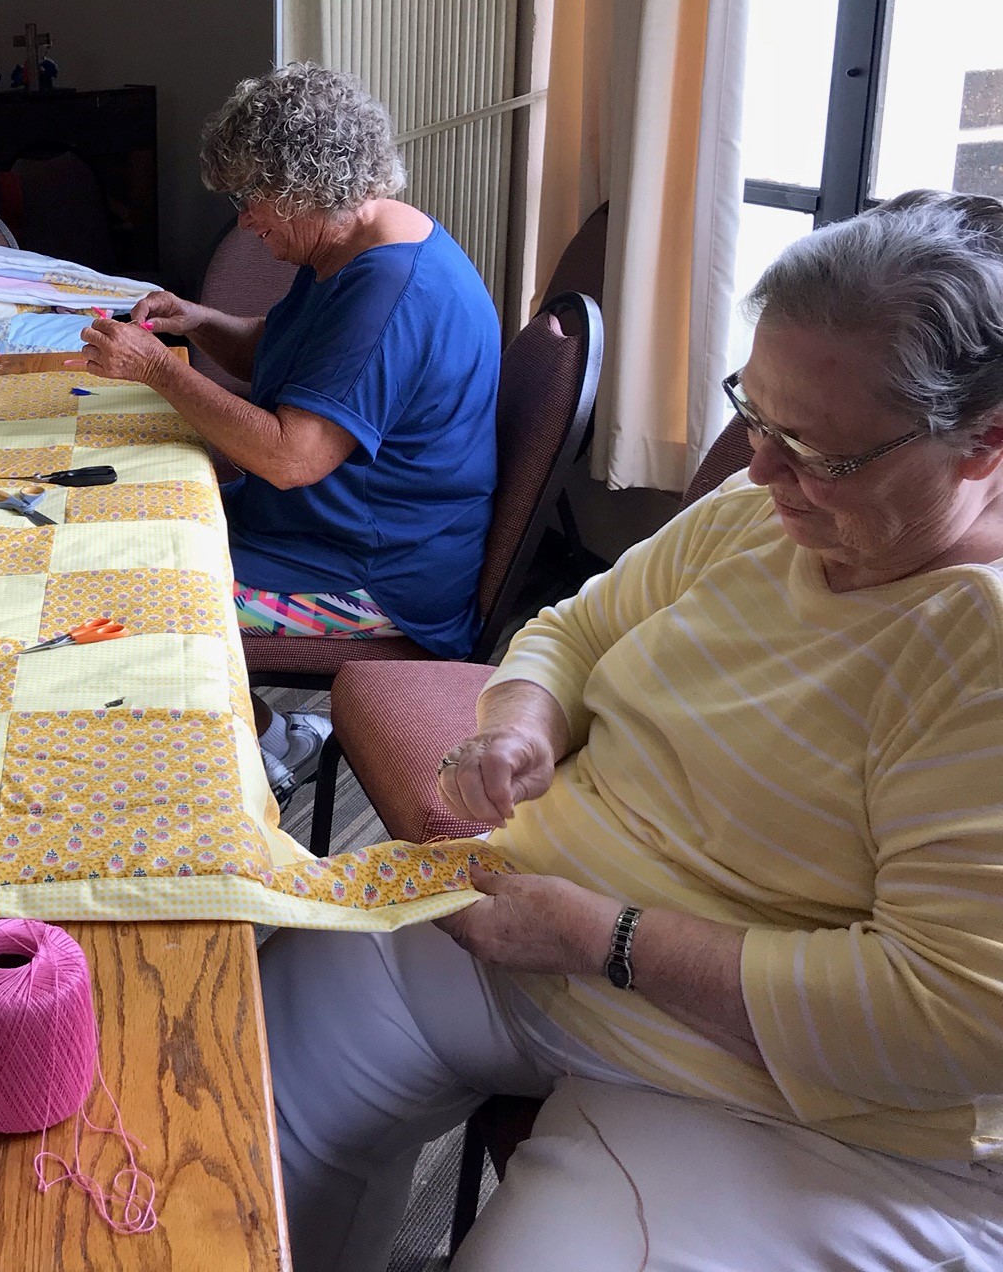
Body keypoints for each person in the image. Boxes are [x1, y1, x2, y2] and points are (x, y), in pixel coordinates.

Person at [259, 191, 1003, 1271]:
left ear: (983, 443)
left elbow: (949, 1015)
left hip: (782, 1092)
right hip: (548, 928)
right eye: (752, 412)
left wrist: (604, 940)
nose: (759, 472)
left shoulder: (972, 643)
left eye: (818, 453)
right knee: (245, 1092)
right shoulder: (762, 510)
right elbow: (572, 627)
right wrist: (521, 720)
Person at [79, 65, 500, 794]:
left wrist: (161, 371)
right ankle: (278, 743)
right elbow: (292, 357)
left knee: (132, 594)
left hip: (373, 578)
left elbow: (289, 457)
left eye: (253, 197)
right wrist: (201, 324)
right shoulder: (353, 244)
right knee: (125, 531)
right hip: (321, 533)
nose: (246, 219)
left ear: (312, 186)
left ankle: (232, 789)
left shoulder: (387, 293)